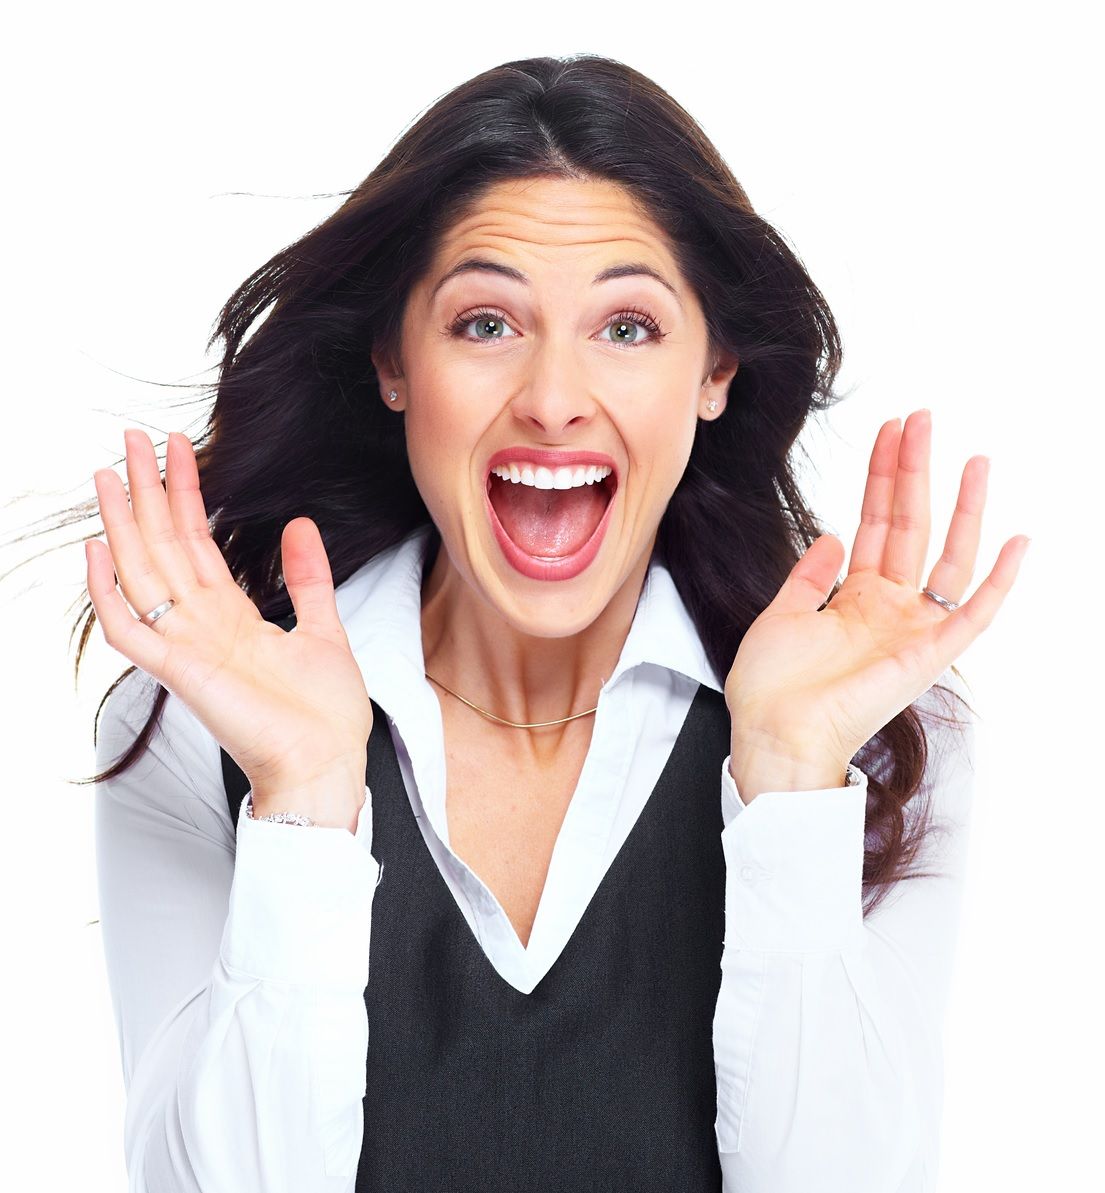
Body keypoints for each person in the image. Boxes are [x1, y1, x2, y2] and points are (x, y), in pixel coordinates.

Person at [82, 53, 1028, 1192]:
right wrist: (305, 799)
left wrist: (789, 781)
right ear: (393, 361)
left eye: (627, 327)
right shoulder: (196, 725)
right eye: (485, 322)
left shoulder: (877, 739)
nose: (551, 394)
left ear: (714, 369)